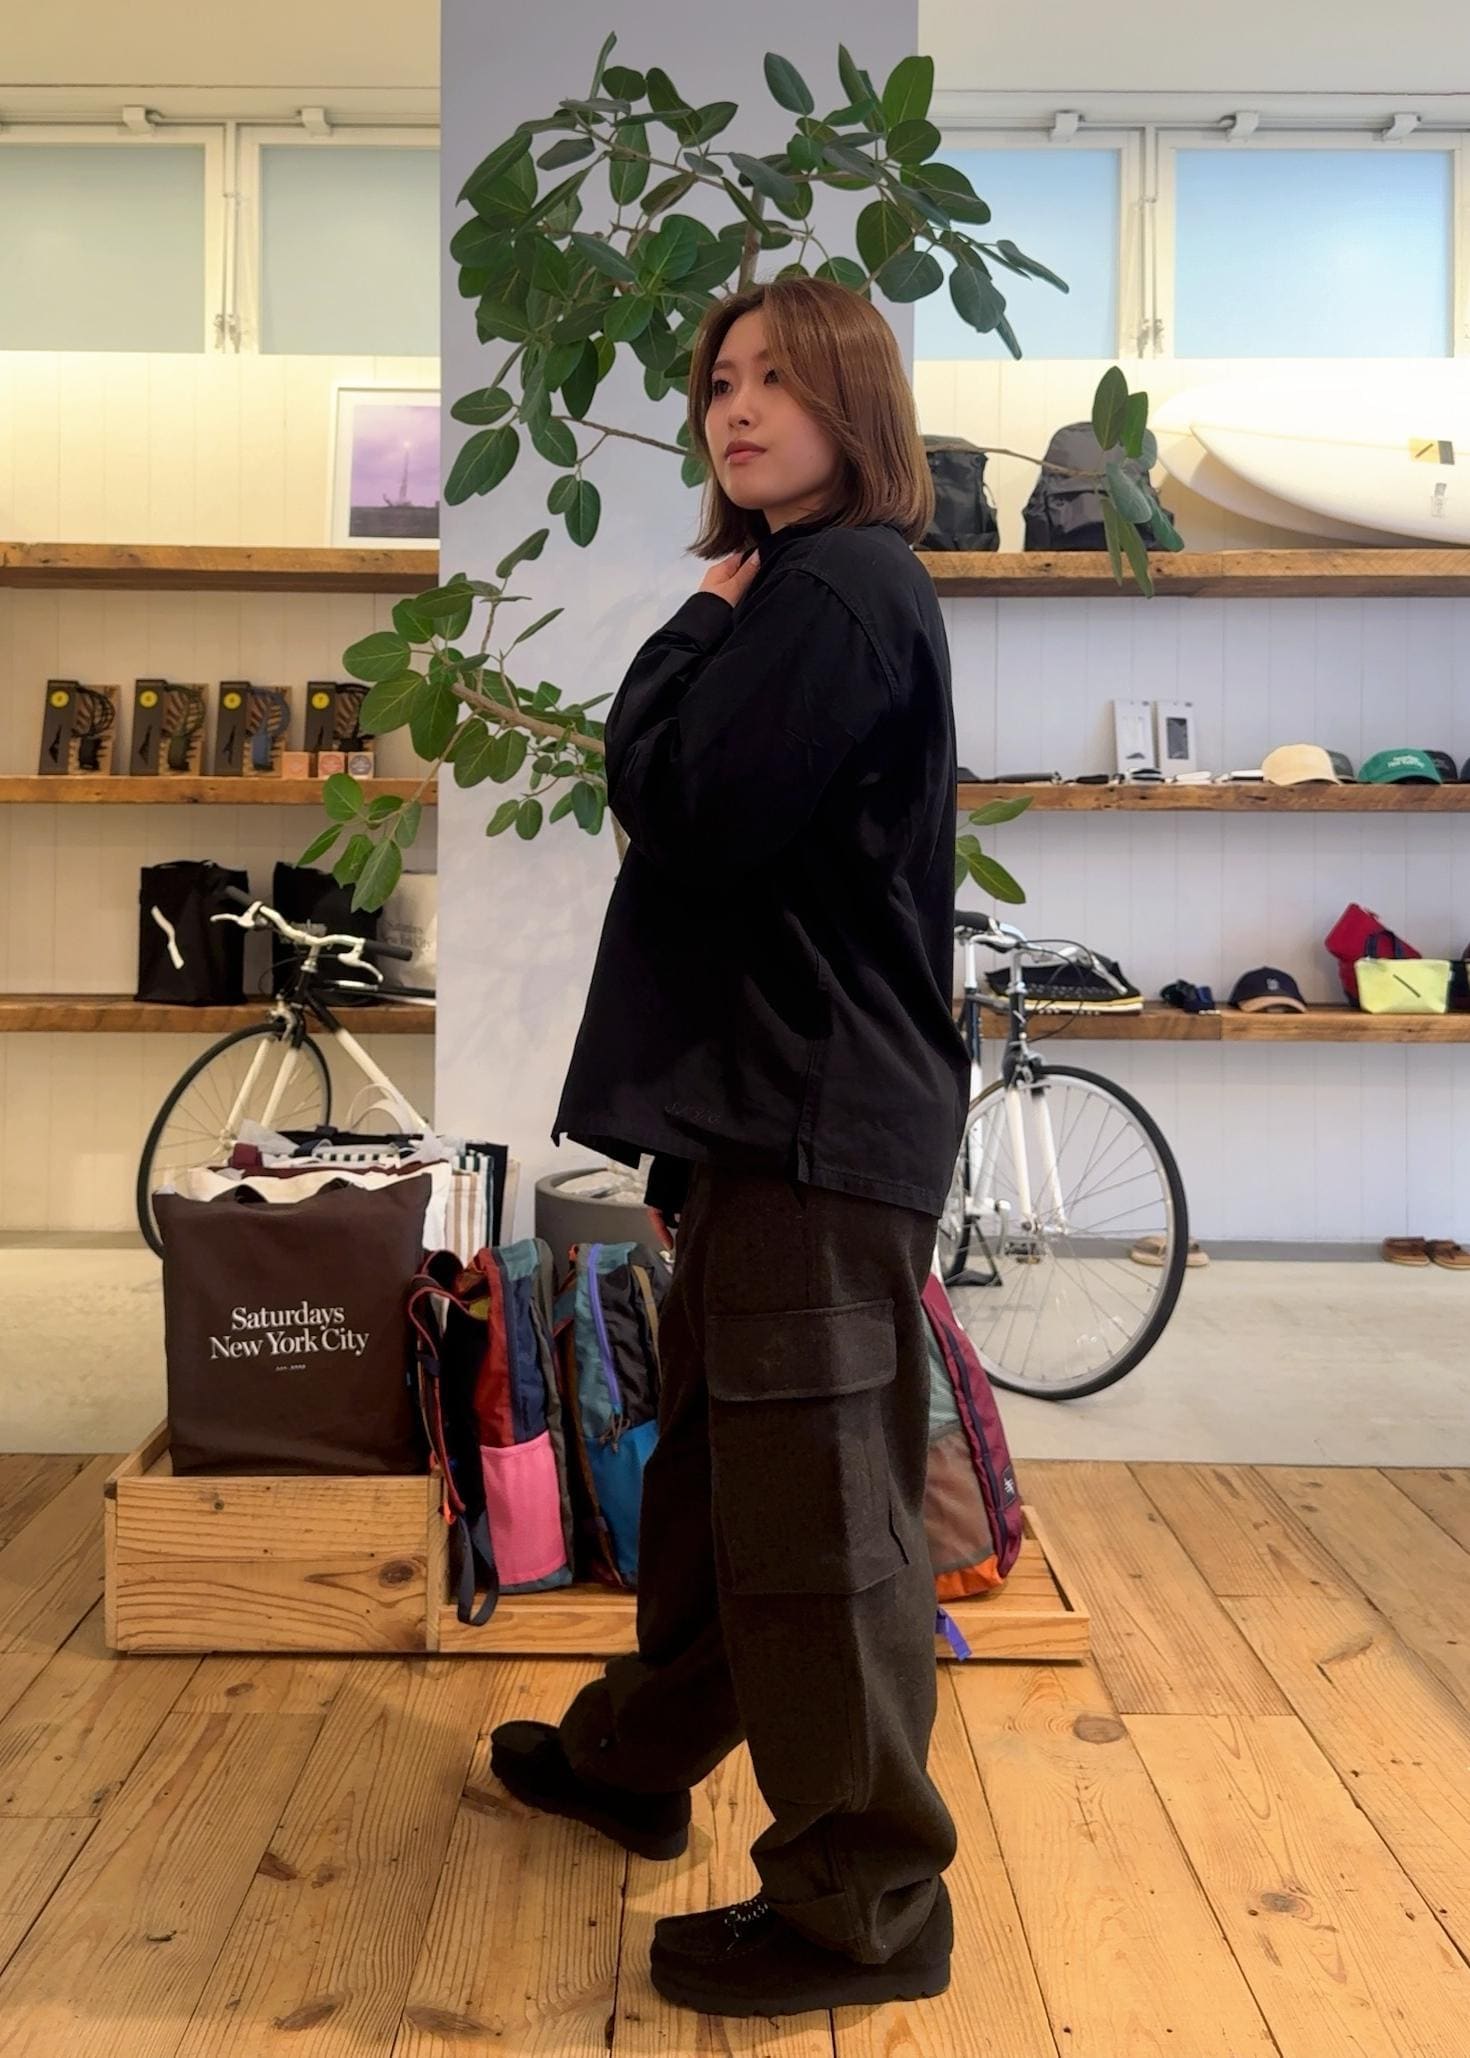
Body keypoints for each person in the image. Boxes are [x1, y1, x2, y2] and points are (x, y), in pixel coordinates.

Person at [490, 276, 969, 2019]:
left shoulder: (828, 586)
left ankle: (864, 1903)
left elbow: (686, 801)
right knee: (718, 1484)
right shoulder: (817, 583)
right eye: (718, 382)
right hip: (775, 1116)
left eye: (776, 378)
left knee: (817, 1515)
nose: (735, 407)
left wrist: (687, 626)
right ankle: (633, 1757)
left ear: (856, 402)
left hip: (813, 1121)